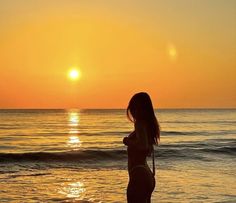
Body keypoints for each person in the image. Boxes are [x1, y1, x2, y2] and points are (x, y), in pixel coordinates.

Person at [123, 92, 160, 203]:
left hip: (139, 174)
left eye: (134, 107)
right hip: (147, 174)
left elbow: (143, 146)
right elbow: (147, 148)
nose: (133, 111)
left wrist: (128, 141)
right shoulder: (148, 125)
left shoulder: (139, 123)